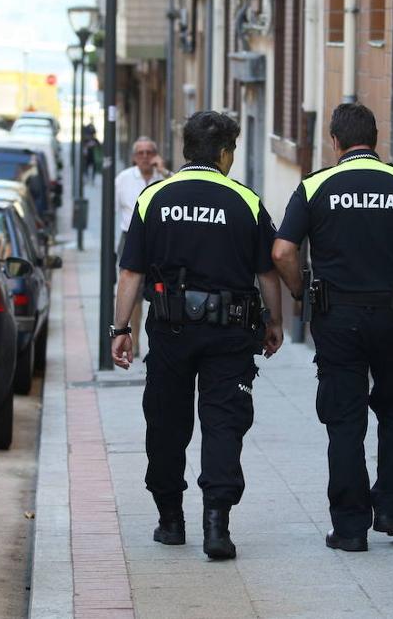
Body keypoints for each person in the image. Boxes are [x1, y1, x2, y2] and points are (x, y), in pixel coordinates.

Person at [271, 102, 393, 553]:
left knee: (345, 419)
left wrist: (302, 292)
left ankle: (349, 528)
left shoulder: (315, 186)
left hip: (337, 319)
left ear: (335, 141)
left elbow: (283, 251)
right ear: (376, 139)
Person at [111, 111, 285, 561]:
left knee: (167, 423)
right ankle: (217, 527)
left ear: (187, 151)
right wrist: (275, 321)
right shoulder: (245, 200)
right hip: (230, 334)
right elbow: (267, 271)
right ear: (226, 153)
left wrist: (121, 328)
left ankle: (170, 521)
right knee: (223, 422)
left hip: (169, 331)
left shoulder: (153, 198)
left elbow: (130, 272)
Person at [115, 137, 171, 360]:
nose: (146, 157)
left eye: (150, 152)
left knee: (161, 291)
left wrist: (164, 170)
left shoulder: (165, 178)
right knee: (133, 293)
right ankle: (135, 343)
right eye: (141, 153)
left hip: (160, 240)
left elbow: (183, 185)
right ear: (133, 157)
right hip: (131, 237)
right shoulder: (123, 179)